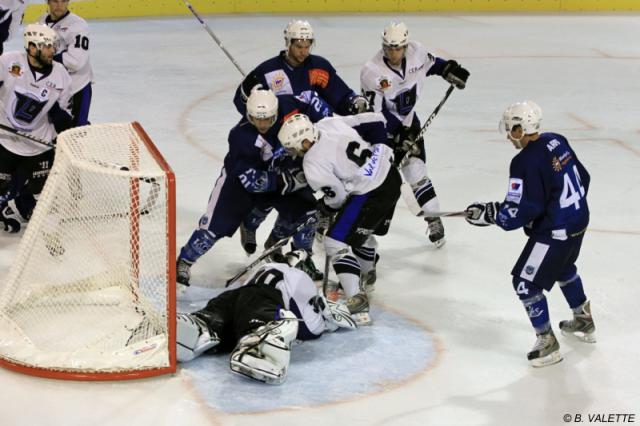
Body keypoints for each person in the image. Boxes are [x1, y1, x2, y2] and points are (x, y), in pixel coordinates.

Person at [465, 101, 595, 368]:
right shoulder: (557, 140)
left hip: (556, 231)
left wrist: (489, 214)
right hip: (579, 221)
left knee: (525, 283)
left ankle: (547, 342)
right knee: (563, 266)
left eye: (511, 129)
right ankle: (583, 318)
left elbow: (519, 211)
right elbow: (584, 177)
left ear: (519, 128)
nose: (509, 135)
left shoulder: (523, 161)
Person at [233, 19, 369, 256]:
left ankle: (280, 243)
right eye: (298, 45)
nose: (304, 51)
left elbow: (341, 96)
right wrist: (250, 96)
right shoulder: (267, 71)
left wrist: (354, 103)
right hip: (278, 143)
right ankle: (250, 224)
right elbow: (242, 103)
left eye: (307, 45)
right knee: (272, 192)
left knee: (302, 200)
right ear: (288, 43)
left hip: (310, 144)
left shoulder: (319, 68)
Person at [176, 89, 328, 288]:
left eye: (267, 119)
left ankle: (301, 257)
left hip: (282, 174)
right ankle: (185, 261)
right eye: (256, 119)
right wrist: (289, 181)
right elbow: (252, 181)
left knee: (307, 212)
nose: (262, 124)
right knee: (214, 228)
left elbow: (315, 106)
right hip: (239, 184)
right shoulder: (241, 137)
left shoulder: (288, 105)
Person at [278, 112, 402, 326]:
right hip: (391, 178)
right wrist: (382, 147)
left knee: (334, 241)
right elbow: (375, 119)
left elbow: (338, 197)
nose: (293, 152)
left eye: (294, 147)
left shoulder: (312, 164)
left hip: (369, 192)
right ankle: (367, 275)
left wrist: (325, 207)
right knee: (362, 230)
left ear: (305, 141)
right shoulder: (328, 123)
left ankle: (357, 299)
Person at [360, 22, 470, 251]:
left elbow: (432, 65)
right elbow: (375, 113)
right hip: (381, 134)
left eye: (397, 48)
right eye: (388, 48)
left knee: (417, 172)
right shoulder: (372, 71)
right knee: (372, 180)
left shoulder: (417, 52)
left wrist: (449, 69)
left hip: (410, 125)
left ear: (405, 45)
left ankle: (433, 219)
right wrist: (396, 135)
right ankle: (342, 220)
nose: (393, 53)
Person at [176, 250, 357, 385]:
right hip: (263, 300)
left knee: (217, 324)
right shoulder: (301, 279)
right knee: (268, 323)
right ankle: (260, 342)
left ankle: (197, 329)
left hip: (231, 297)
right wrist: (325, 323)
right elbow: (307, 327)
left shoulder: (267, 267)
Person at [0, 23, 73, 233]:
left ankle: (48, 231)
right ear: (32, 48)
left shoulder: (61, 75)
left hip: (39, 146)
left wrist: (61, 123)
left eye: (53, 46)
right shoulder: (8, 62)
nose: (53, 51)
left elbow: (65, 117)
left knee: (45, 196)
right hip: (5, 139)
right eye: (47, 46)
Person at [39, 0, 93, 126]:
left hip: (77, 87)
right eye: (55, 1)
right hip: (53, 86)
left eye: (63, 1)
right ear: (48, 2)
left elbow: (75, 61)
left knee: (76, 130)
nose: (59, 5)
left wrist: (46, 60)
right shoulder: (41, 22)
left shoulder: (78, 25)